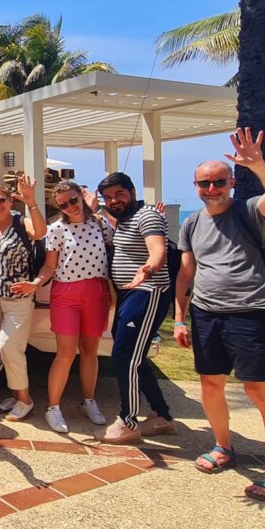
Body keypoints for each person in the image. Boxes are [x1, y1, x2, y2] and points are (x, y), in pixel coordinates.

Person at [175, 128, 265, 503]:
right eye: (205, 183)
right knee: (210, 385)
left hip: (252, 313)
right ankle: (223, 447)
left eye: (219, 182)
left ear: (231, 182)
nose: (212, 188)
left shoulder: (249, 211)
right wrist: (180, 318)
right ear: (195, 186)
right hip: (207, 314)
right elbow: (185, 274)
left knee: (258, 390)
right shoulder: (191, 224)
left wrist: (258, 165)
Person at [96, 171, 177, 444]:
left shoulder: (147, 216)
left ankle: (128, 422)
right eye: (108, 197)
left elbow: (158, 249)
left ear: (132, 192)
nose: (114, 201)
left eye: (119, 194)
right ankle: (162, 417)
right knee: (135, 357)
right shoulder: (125, 219)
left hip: (147, 292)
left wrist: (148, 269)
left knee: (124, 357)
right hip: (129, 294)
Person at [26, 180, 112, 433]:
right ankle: (53, 407)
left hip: (96, 292)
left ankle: (89, 401)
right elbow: (49, 266)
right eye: (63, 205)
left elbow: (120, 246)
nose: (70, 207)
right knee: (65, 352)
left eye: (73, 200)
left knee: (89, 350)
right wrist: (36, 283)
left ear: (81, 197)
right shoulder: (56, 229)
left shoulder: (101, 223)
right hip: (66, 294)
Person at [0, 177, 47, 422]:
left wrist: (31, 203)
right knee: (3, 350)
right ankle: (14, 394)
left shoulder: (21, 222)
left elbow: (40, 232)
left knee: (10, 347)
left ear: (10, 201)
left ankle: (25, 400)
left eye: (1, 200)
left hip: (18, 298)